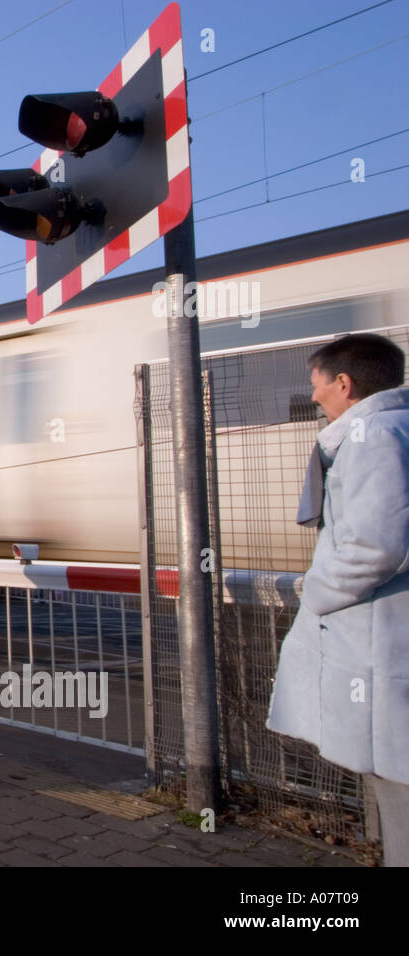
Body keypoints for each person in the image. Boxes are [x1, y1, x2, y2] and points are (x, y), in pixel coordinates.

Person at [267, 332, 409, 867]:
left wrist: (317, 592)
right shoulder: (393, 429)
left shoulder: (374, 436)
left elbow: (376, 545)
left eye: (317, 384)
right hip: (384, 642)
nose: (315, 395)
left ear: (343, 383)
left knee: (398, 789)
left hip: (381, 646)